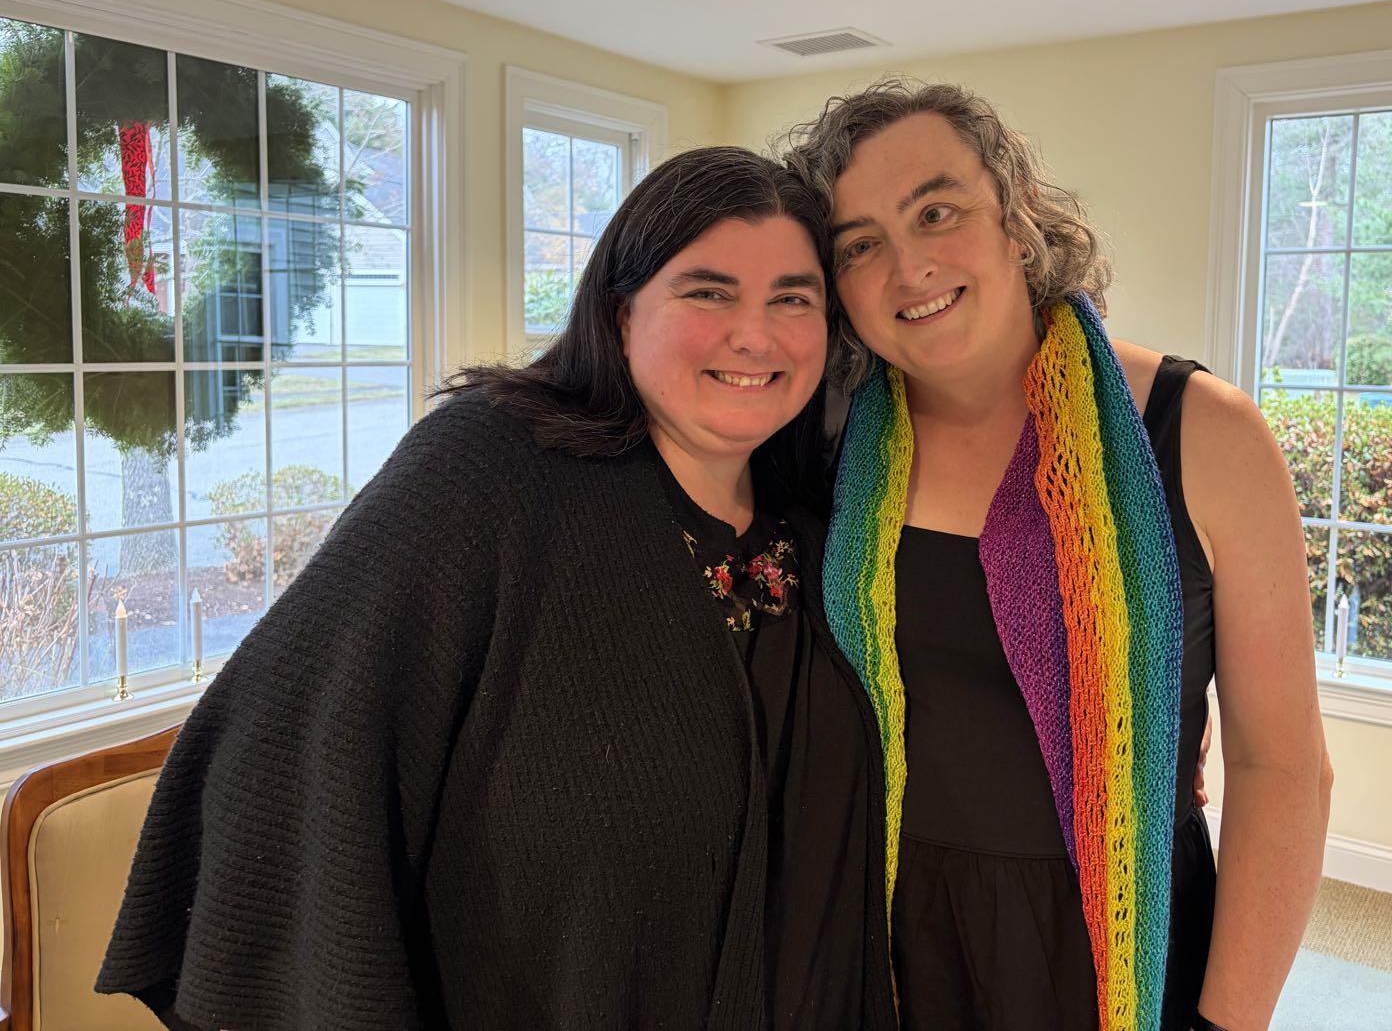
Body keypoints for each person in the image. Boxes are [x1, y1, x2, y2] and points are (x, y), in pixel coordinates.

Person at [97, 147, 897, 1030]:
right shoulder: (491, 471)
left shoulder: (829, 517)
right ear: (621, 309)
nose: (757, 335)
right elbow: (278, 750)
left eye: (793, 297)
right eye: (707, 292)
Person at [784, 81, 1334, 1031]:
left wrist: (1226, 1023)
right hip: (888, 940)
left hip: (1126, 938)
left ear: (1018, 216)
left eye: (937, 211)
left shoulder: (1200, 434)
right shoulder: (824, 442)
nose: (908, 265)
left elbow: (1281, 765)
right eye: (860, 244)